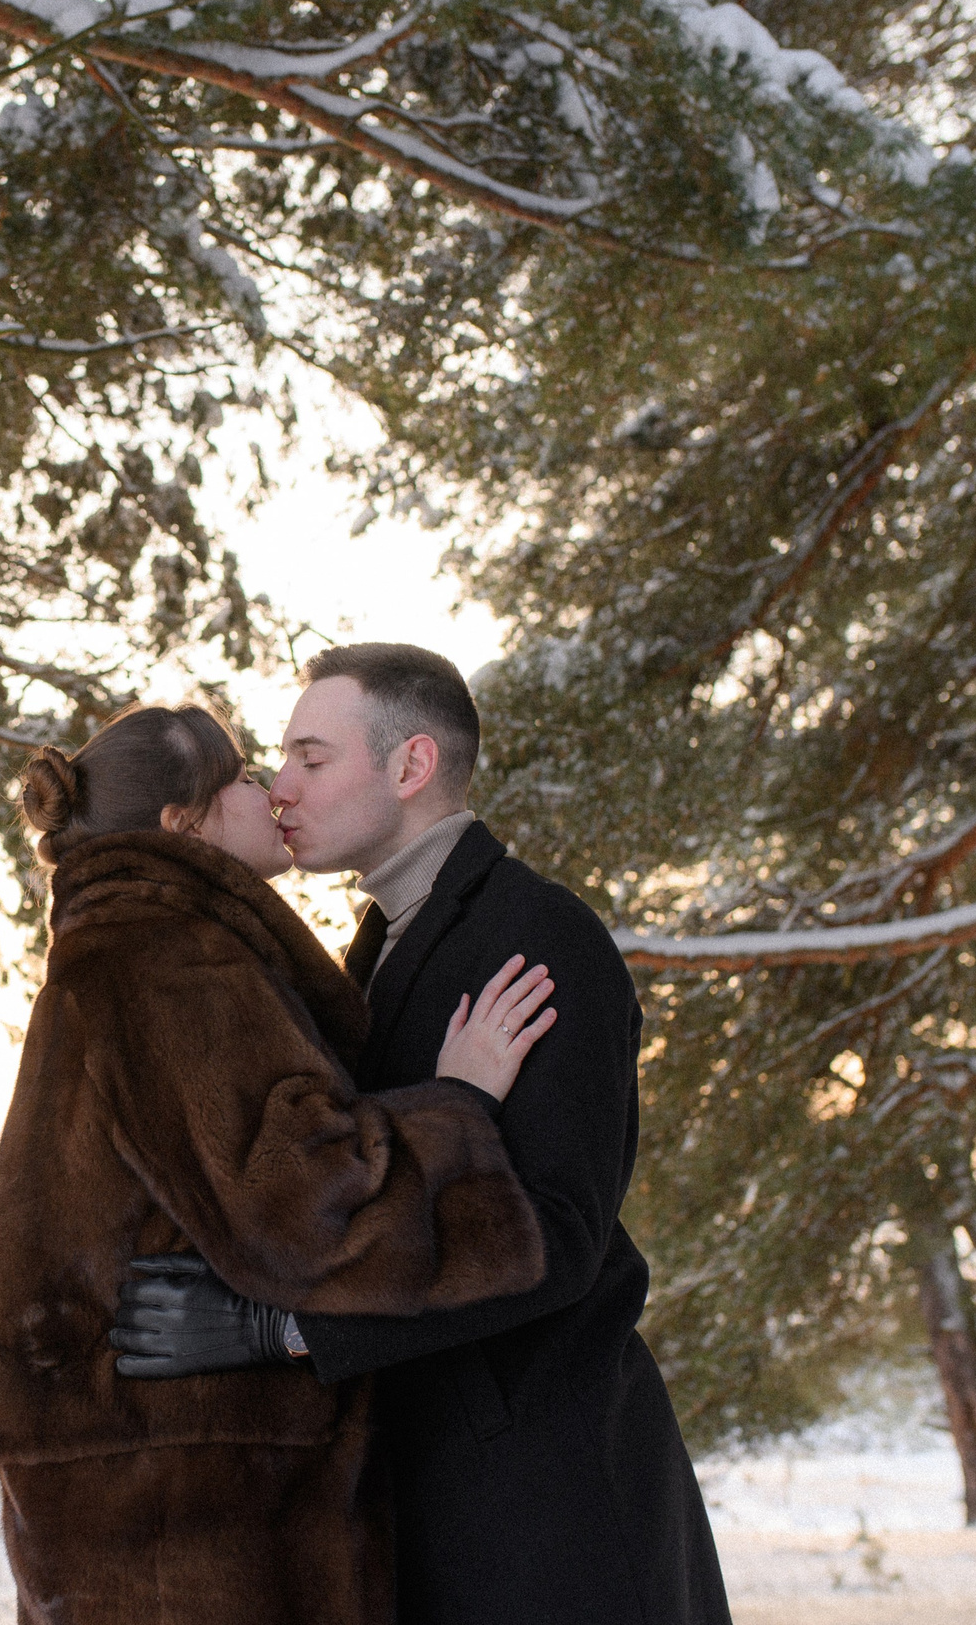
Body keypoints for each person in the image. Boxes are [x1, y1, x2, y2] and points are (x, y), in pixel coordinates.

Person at [109, 646, 732, 1625]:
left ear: (409, 766)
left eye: (312, 758)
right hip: (432, 1497)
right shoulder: (376, 944)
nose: (281, 786)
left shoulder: (535, 937)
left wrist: (293, 1328)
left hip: (541, 1507)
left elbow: (559, 1237)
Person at [0, 701, 560, 1625]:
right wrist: (462, 1104)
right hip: (198, 1525)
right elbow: (309, 1211)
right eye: (242, 777)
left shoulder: (117, 948)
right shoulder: (169, 956)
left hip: (147, 1505)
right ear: (185, 824)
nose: (271, 792)